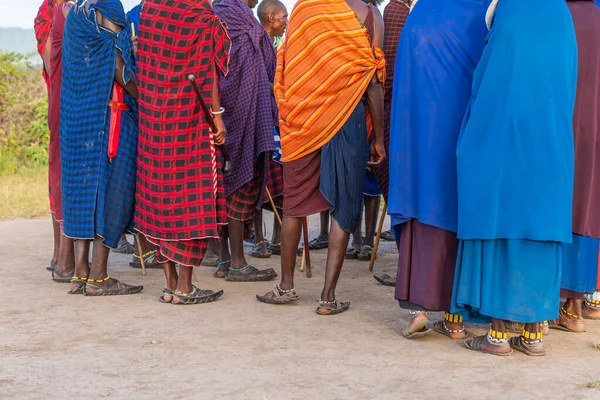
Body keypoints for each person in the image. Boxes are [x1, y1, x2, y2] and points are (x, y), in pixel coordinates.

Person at [451, 0, 577, 356]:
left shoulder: (509, 11)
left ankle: (498, 337)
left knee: (502, 225)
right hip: (552, 147)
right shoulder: (561, 14)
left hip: (505, 143)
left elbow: (488, 85)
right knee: (540, 228)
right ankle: (534, 336)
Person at [257, 0, 386, 314]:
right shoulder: (369, 15)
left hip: (303, 119)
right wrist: (379, 138)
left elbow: (289, 67)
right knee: (344, 202)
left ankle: (286, 287)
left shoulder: (304, 9)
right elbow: (372, 81)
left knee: (293, 203)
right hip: (347, 118)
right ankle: (327, 298)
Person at [388, 0, 490, 339]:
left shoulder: (419, 15)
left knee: (423, 211)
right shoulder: (481, 13)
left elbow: (402, 86)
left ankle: (419, 307)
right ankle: (456, 318)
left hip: (419, 142)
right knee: (461, 215)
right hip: (462, 137)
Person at [136, 0, 229, 304]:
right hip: (190, 120)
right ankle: (185, 288)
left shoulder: (149, 9)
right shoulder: (201, 14)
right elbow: (211, 72)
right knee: (192, 195)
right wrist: (217, 115)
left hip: (153, 120)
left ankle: (170, 284)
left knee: (158, 195)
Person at [60, 0, 143, 296]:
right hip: (109, 117)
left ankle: (80, 274)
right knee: (111, 193)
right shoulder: (110, 5)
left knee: (81, 194)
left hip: (74, 118)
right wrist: (145, 100)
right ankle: (99, 276)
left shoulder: (74, 13)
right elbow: (119, 66)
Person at [213, 0, 278, 282]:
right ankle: (238, 263)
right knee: (240, 183)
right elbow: (264, 63)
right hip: (243, 111)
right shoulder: (241, 17)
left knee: (226, 184)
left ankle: (226, 259)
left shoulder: (219, 12)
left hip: (224, 108)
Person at [551, 0, 600, 331]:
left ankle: (553, 302)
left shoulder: (557, 13)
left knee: (559, 205)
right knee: (587, 205)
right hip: (593, 129)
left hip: (562, 126)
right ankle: (575, 307)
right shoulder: (596, 15)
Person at [34, 0, 72, 277]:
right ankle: (63, 259)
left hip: (60, 101)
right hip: (64, 101)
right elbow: (51, 59)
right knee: (62, 173)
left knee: (58, 172)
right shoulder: (52, 9)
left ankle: (60, 256)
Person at [250, 0, 289, 259]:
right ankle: (261, 239)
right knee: (256, 182)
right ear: (272, 17)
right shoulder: (256, 39)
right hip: (258, 119)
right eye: (284, 16)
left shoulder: (274, 44)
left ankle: (276, 238)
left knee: (281, 182)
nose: (287, 21)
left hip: (275, 120)